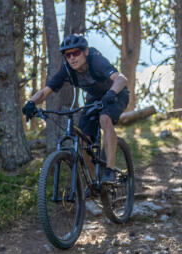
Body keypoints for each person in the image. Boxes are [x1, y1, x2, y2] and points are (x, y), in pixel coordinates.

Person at [22, 34, 129, 185]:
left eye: (76, 52)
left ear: (85, 52)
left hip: (116, 93)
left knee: (105, 118)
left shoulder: (96, 60)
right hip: (95, 99)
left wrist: (111, 93)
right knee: (82, 140)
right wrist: (31, 102)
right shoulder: (67, 70)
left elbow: (121, 79)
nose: (72, 58)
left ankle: (109, 171)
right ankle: (96, 183)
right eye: (68, 55)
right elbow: (45, 92)